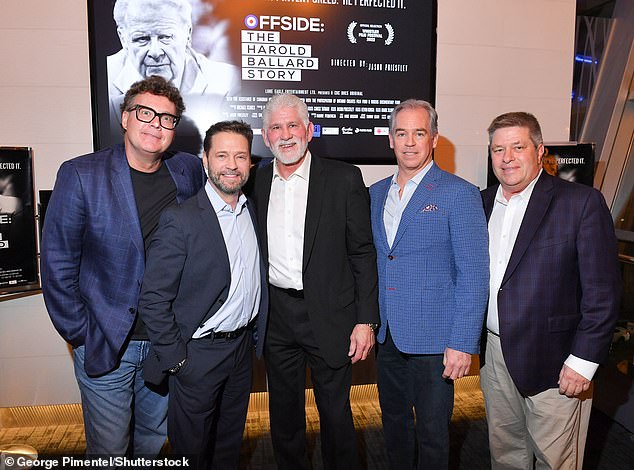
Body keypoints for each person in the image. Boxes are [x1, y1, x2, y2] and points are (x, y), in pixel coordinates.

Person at [40, 76, 205, 456]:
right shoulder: (81, 174)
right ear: (125, 118)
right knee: (110, 451)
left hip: (165, 340)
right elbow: (57, 263)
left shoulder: (187, 172)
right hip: (106, 342)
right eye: (145, 113)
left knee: (151, 441)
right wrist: (81, 334)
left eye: (167, 118)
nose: (156, 124)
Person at [481, 111, 621, 469]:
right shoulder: (481, 203)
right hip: (495, 355)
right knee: (506, 454)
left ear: (539, 150)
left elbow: (602, 293)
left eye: (517, 147)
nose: (507, 157)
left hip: (557, 359)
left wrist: (583, 362)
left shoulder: (580, 203)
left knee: (554, 460)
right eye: (498, 149)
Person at [251, 94, 379, 469]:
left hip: (331, 315)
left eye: (293, 126)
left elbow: (362, 253)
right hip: (276, 316)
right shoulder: (255, 180)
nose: (286, 135)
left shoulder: (344, 178)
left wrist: (365, 319)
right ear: (265, 134)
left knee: (336, 416)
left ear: (309, 130)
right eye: (277, 127)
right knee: (284, 415)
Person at [137, 120, 268, 469]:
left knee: (229, 446)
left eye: (240, 156)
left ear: (250, 163)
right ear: (205, 160)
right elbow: (152, 298)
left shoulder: (251, 212)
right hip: (197, 356)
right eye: (222, 155)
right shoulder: (180, 220)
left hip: (241, 353)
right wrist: (178, 359)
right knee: (191, 453)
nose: (232, 165)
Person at [368, 99, 489, 469]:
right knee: (394, 427)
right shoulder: (374, 194)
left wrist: (462, 342)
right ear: (390, 139)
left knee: (434, 436)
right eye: (401, 133)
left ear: (433, 138)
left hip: (436, 342)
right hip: (388, 338)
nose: (409, 142)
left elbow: (474, 273)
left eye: (419, 133)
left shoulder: (459, 193)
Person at [108, 0, 240, 148]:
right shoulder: (105, 80)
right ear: (123, 39)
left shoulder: (227, 80)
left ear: (188, 34)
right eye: (142, 39)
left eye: (165, 37)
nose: (155, 52)